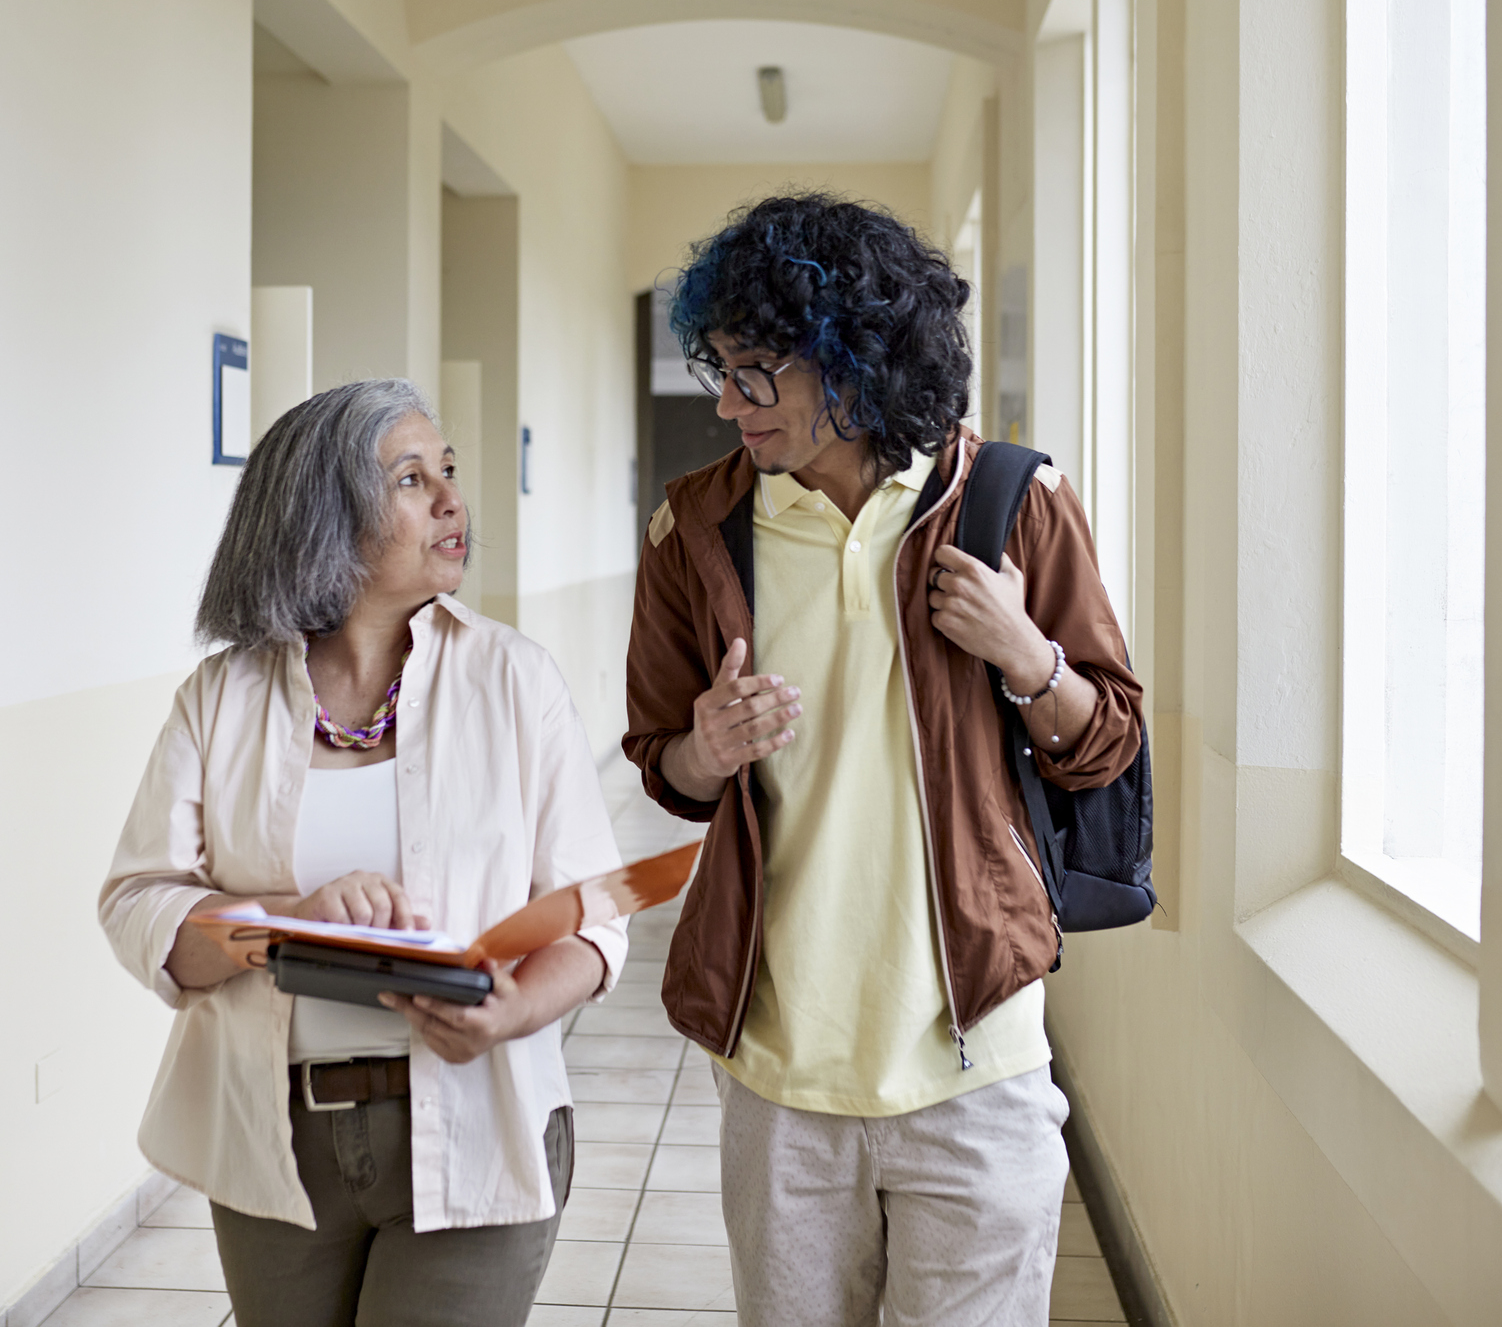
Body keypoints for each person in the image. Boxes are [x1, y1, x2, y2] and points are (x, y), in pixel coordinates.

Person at [623, 194, 1143, 1327]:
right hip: (780, 1074)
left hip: (979, 1064)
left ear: (849, 361)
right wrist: (705, 748)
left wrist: (1026, 655)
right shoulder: (696, 534)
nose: (725, 402)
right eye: (719, 367)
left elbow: (1106, 738)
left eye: (755, 371)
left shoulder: (1013, 506)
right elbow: (663, 767)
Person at [100, 378, 627, 1327]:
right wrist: (284, 923)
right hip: (273, 1140)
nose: (452, 501)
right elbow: (141, 905)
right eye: (411, 479)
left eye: (449, 474)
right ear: (324, 517)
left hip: (476, 1120)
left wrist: (511, 1012)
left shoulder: (514, 681)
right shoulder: (222, 699)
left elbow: (595, 917)